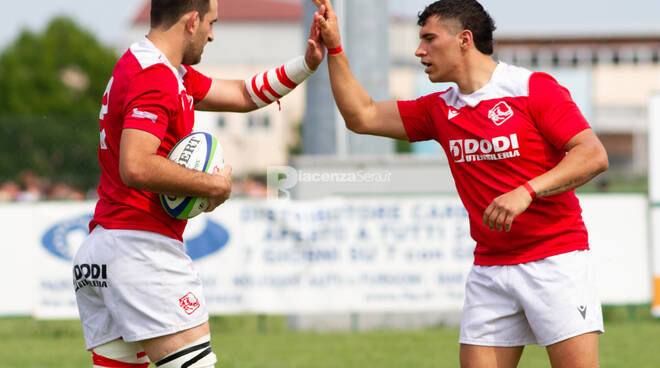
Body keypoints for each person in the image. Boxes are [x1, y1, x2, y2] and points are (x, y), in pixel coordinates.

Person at [311, 0, 608, 367]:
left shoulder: (531, 88)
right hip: (490, 268)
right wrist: (335, 48)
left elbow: (592, 154)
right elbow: (362, 115)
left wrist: (526, 191)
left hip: (555, 260)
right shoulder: (439, 109)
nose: (419, 50)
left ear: (464, 39)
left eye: (429, 39)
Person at [72, 0, 325, 367]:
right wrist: (212, 185)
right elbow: (136, 166)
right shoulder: (155, 77)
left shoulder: (146, 65)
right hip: (142, 249)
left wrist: (307, 64)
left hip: (103, 249)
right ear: (192, 21)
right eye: (211, 23)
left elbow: (241, 94)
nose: (211, 34)